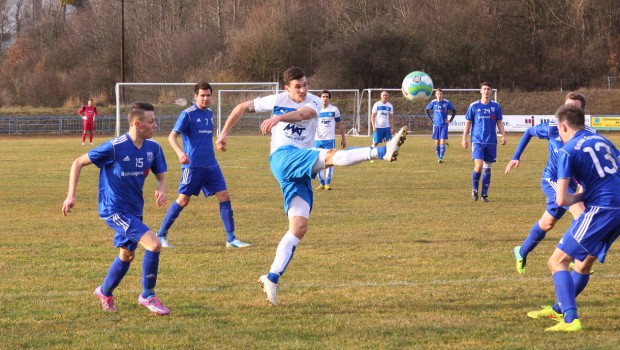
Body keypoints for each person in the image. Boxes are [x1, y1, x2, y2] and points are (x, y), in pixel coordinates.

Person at [216, 66, 407, 306]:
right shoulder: (277, 99)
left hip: (299, 166)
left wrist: (278, 117)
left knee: (298, 227)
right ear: (287, 88)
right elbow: (241, 107)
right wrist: (223, 133)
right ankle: (382, 152)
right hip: (283, 157)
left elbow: (304, 115)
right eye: (298, 87)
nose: (303, 90)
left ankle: (272, 277)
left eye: (306, 84)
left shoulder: (314, 102)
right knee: (331, 156)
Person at [62, 102, 171, 315]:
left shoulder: (153, 148)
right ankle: (147, 295)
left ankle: (104, 292)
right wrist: (71, 195)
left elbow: (161, 175)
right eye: (151, 122)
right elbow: (78, 162)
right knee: (154, 243)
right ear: (138, 124)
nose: (155, 126)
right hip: (114, 209)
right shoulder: (115, 147)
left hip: (134, 209)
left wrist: (161, 190)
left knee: (127, 255)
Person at [527, 105, 620, 332]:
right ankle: (560, 309)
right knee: (584, 262)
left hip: (602, 208)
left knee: (557, 261)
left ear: (562, 126)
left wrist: (581, 195)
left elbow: (560, 200)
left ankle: (570, 319)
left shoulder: (567, 150)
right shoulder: (603, 141)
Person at [156, 82, 250, 249]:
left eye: (208, 95)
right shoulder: (187, 114)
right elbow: (172, 136)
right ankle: (161, 234)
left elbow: (204, 139)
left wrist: (219, 144)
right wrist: (180, 153)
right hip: (192, 167)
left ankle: (231, 239)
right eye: (202, 95)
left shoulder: (210, 114)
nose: (205, 98)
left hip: (211, 166)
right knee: (183, 200)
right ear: (195, 96)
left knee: (224, 196)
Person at [506, 93, 589, 274]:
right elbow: (529, 132)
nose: (570, 111)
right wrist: (515, 157)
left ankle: (521, 252)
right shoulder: (553, 127)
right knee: (581, 214)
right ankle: (576, 256)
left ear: (582, 112)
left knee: (547, 223)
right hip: (553, 179)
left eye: (574, 108)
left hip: (572, 184)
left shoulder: (589, 135)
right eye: (567, 107)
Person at [461, 82, 506, 202]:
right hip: (477, 141)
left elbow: (499, 122)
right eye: (484, 89)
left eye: (488, 89)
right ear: (481, 91)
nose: (486, 91)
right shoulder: (474, 106)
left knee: (487, 168)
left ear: (491, 91)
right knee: (479, 166)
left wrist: (503, 135)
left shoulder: (496, 106)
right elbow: (468, 122)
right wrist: (464, 138)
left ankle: (484, 194)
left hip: (491, 141)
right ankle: (475, 189)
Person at [315, 90, 347, 190]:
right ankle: (321, 183)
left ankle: (327, 183)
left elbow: (340, 125)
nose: (325, 98)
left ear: (329, 98)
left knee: (330, 161)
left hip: (329, 140)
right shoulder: (315, 110)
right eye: (323, 96)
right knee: (318, 161)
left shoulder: (334, 110)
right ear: (320, 98)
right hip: (317, 140)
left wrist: (343, 138)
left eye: (327, 97)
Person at [425, 89, 456, 163]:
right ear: (436, 95)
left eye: (441, 94)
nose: (439, 95)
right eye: (438, 94)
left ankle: (440, 158)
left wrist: (450, 120)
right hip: (436, 125)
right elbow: (426, 110)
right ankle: (438, 157)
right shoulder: (433, 102)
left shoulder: (446, 102)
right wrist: (431, 119)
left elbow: (454, 111)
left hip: (444, 125)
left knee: (442, 141)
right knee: (437, 141)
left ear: (442, 95)